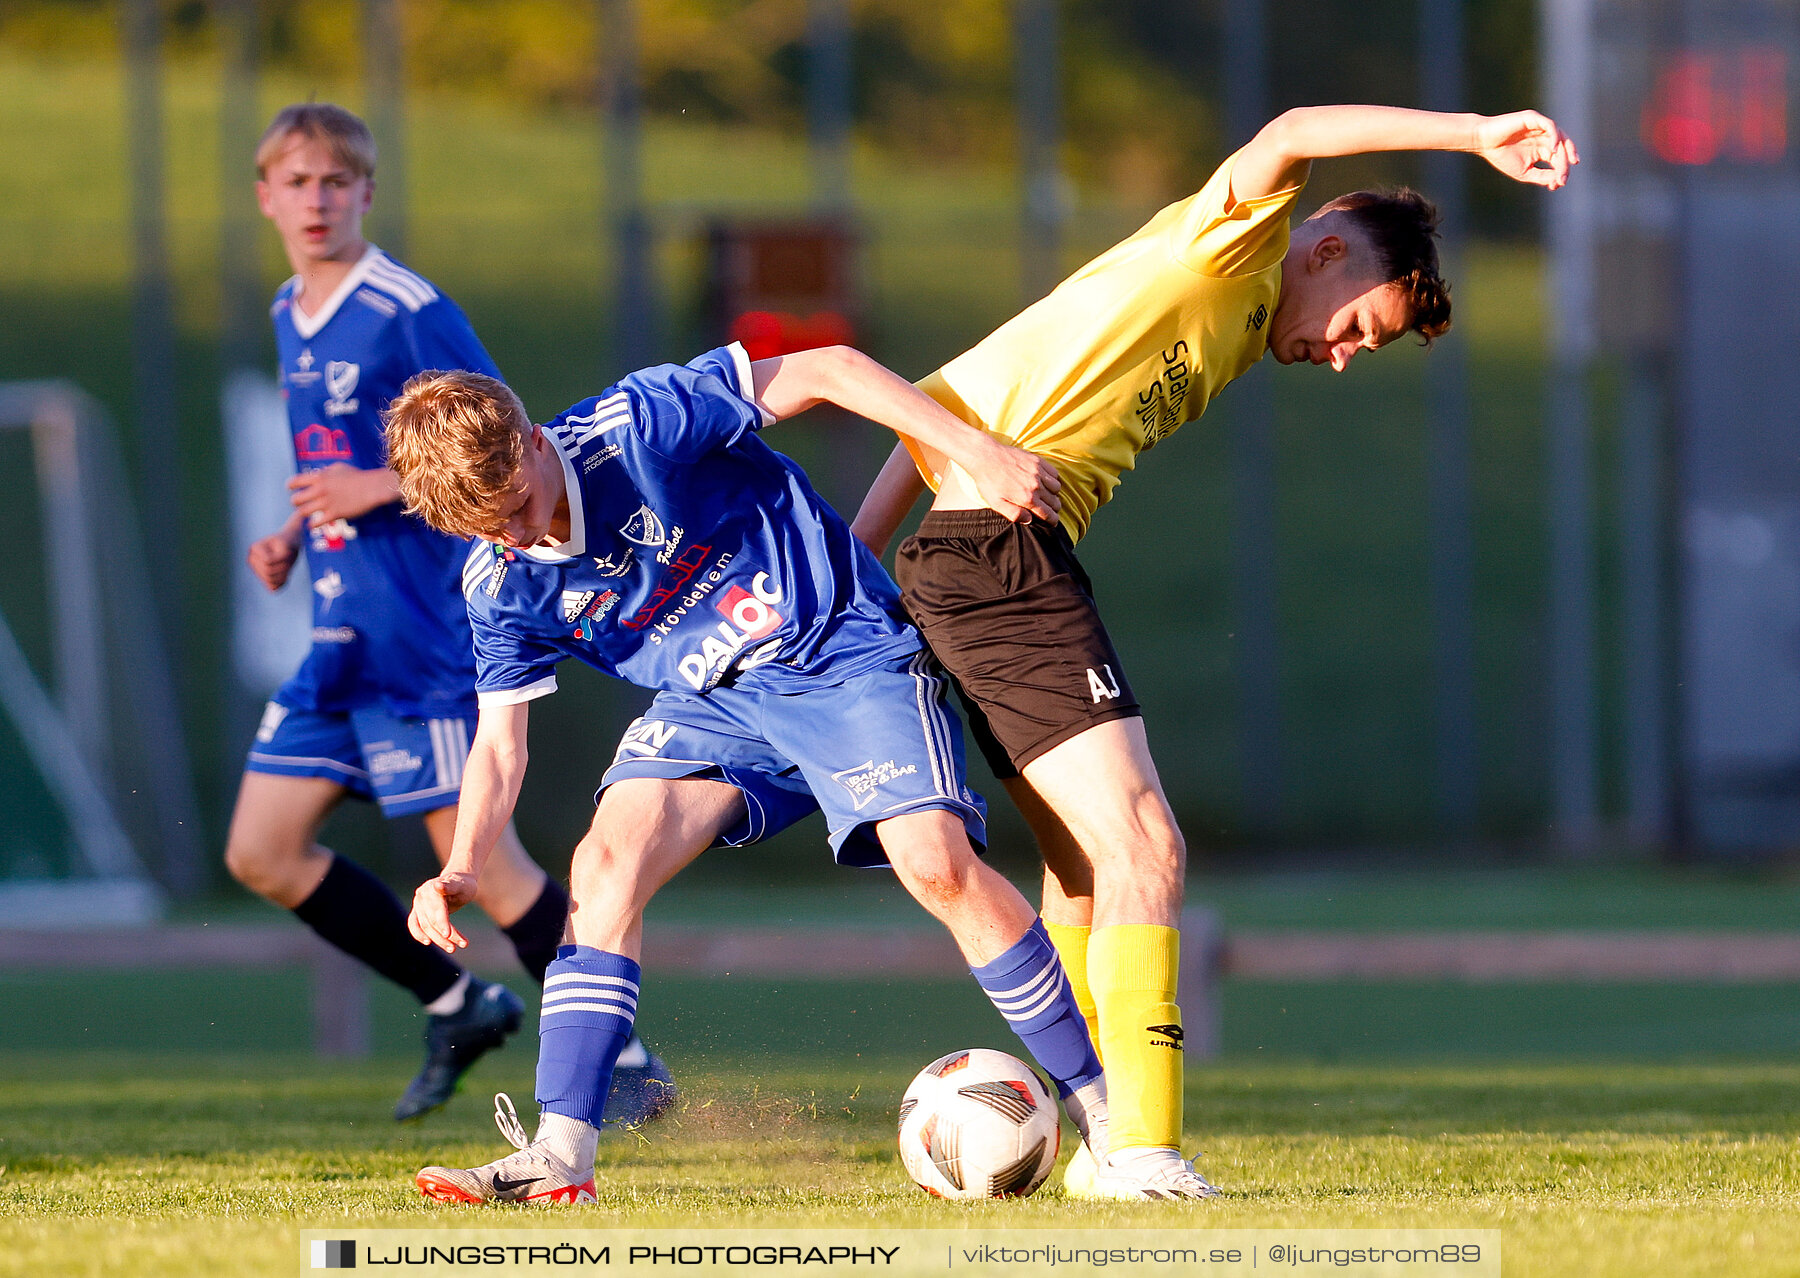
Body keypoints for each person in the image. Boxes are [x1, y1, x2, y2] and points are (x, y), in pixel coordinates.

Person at [849, 104, 1579, 1196]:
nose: (1342, 358)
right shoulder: (1230, 248)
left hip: (977, 559)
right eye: (1358, 329)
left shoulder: (1232, 329)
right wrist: (1475, 134)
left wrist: (859, 563)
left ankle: (1100, 1140)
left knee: (1089, 869)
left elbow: (947, 396)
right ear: (1324, 251)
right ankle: (1138, 1146)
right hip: (999, 562)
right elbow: (1292, 129)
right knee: (1149, 846)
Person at [382, 340, 1188, 1203]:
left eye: (517, 508)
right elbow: (502, 741)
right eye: (487, 528)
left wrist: (974, 451)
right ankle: (561, 1157)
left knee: (936, 866)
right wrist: (463, 863)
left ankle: (1109, 1123)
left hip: (840, 652)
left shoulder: (639, 424)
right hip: (714, 704)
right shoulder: (498, 582)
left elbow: (827, 368)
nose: (515, 535)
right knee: (604, 864)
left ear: (535, 441)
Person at [223, 102, 673, 1124]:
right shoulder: (290, 309)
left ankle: (627, 1055)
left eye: (336, 181)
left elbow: (498, 434)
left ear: (366, 193)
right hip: (342, 632)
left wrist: (373, 492)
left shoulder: (402, 305)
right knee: (262, 851)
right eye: (297, 183)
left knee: (486, 867)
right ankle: (459, 1003)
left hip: (420, 634)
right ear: (266, 197)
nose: (317, 199)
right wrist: (296, 533)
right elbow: (329, 457)